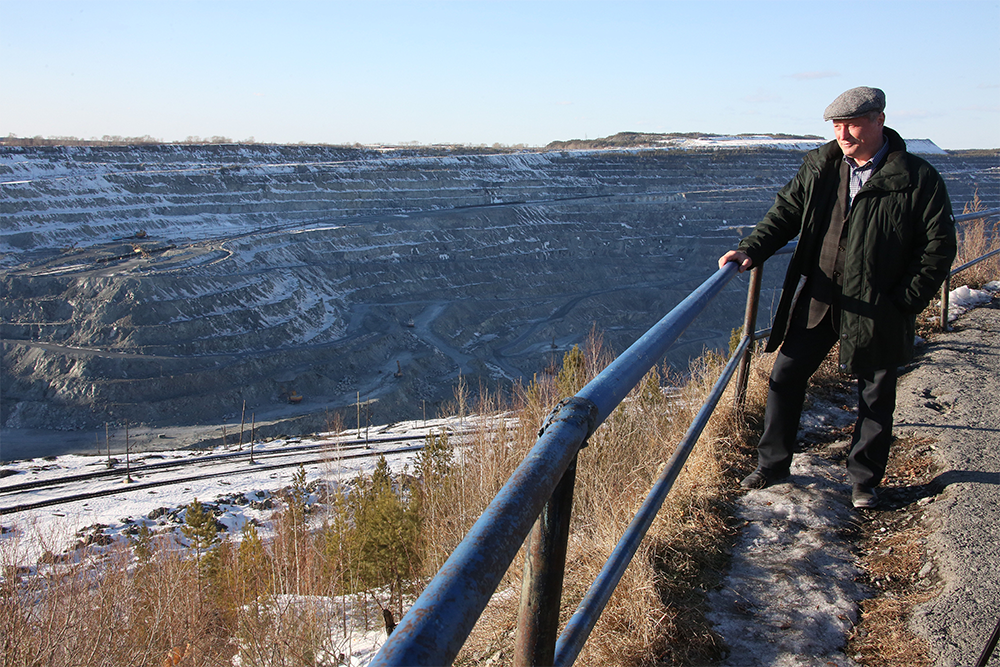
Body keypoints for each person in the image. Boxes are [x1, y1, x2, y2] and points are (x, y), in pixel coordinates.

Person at [718, 86, 957, 509]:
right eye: (836, 125)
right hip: (821, 296)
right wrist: (751, 249)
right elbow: (786, 212)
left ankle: (865, 481)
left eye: (852, 124)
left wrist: (904, 302)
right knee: (785, 376)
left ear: (879, 120)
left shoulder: (917, 178)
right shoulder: (823, 164)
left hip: (879, 304)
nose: (842, 133)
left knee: (875, 392)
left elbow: (937, 248)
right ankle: (772, 464)